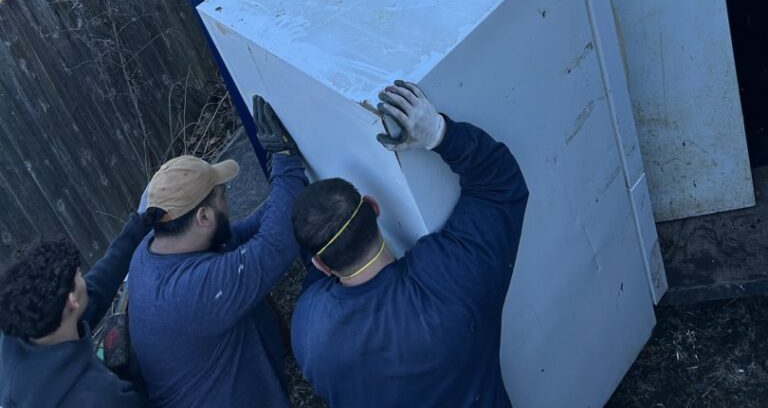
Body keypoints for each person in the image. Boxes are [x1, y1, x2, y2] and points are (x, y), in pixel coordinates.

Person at [291, 80, 529, 408]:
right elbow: (499, 185)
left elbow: (315, 279)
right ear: (374, 208)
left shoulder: (307, 331)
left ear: (320, 264)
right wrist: (438, 134)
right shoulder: (449, 281)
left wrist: (289, 167)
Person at [128, 98, 306, 408]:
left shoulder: (153, 249)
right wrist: (285, 160)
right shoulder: (190, 292)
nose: (228, 201)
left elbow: (246, 232)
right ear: (203, 218)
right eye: (223, 196)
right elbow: (275, 247)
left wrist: (283, 193)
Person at [0, 209, 160, 408]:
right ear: (71, 301)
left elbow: (96, 289)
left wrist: (140, 225)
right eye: (79, 274)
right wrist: (132, 374)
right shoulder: (104, 397)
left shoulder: (20, 329)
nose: (84, 277)